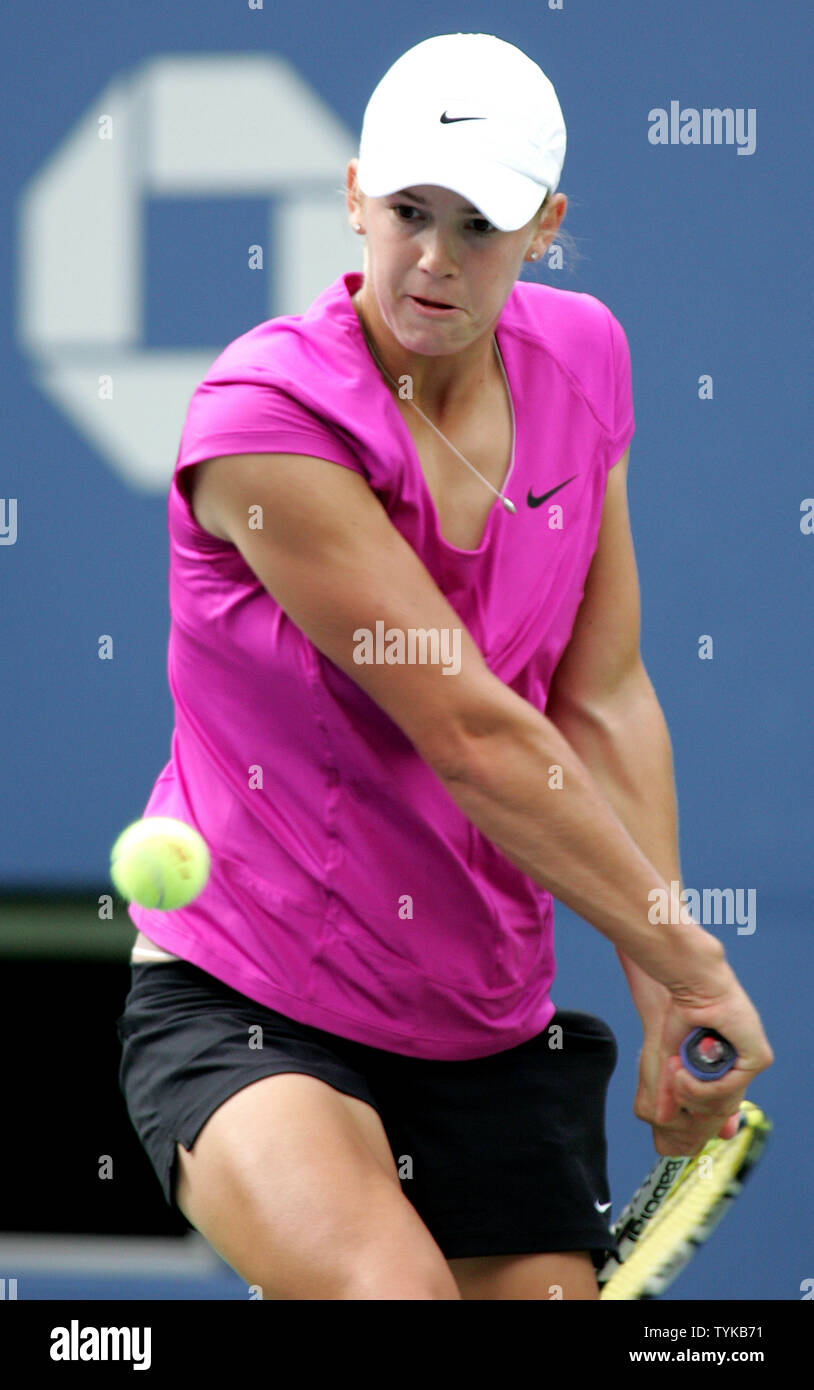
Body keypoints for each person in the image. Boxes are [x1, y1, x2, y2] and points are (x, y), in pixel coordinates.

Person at [115, 33, 773, 1301]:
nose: (433, 257)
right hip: (252, 1000)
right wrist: (700, 963)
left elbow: (601, 695)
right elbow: (469, 731)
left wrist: (656, 989)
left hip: (479, 1017)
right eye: (408, 210)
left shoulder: (583, 359)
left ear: (547, 229)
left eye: (481, 224)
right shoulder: (268, 421)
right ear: (354, 194)